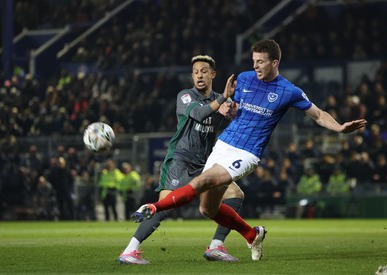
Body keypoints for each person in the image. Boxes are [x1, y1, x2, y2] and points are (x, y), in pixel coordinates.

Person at [132, 39, 367, 261]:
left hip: (246, 153)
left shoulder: (289, 91)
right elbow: (235, 110)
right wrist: (229, 110)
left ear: (274, 62)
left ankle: (154, 207)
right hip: (223, 145)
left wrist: (339, 127)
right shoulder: (244, 79)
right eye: (253, 61)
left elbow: (317, 114)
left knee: (203, 181)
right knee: (207, 208)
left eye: (261, 61)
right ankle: (252, 235)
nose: (255, 66)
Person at [118, 55, 245, 264]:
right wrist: (222, 98)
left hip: (206, 164)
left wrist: (233, 112)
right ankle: (129, 251)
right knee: (164, 206)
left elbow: (232, 121)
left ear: (213, 74)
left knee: (235, 194)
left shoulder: (220, 100)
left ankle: (215, 246)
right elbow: (197, 114)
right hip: (181, 160)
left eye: (204, 71)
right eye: (195, 72)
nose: (199, 76)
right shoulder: (185, 96)